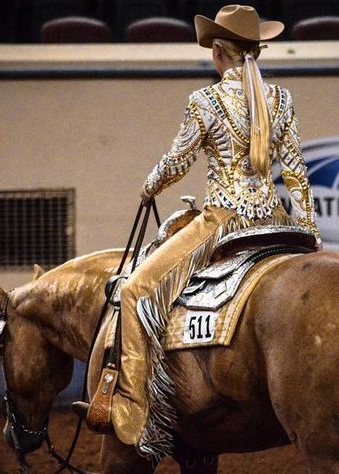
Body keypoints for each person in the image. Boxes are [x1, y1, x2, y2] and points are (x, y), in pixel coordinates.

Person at [108, 4, 321, 457]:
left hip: (222, 221)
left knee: (134, 291)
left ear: (219, 53)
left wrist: (149, 186)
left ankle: (134, 408)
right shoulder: (281, 99)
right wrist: (310, 236)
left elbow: (178, 161)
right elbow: (298, 174)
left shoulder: (204, 102)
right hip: (276, 225)